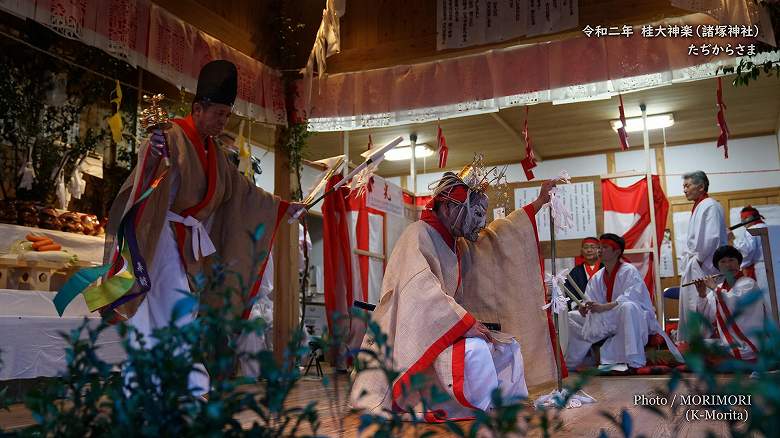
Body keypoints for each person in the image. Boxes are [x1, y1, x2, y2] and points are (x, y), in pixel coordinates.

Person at [73, 60, 306, 396]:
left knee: (175, 309)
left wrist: (283, 207)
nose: (223, 121)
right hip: (160, 234)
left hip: (187, 241)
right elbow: (149, 170)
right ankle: (179, 386)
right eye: (218, 114)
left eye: (227, 115)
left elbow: (242, 191)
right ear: (198, 108)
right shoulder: (172, 135)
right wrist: (152, 154)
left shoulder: (214, 151)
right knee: (173, 307)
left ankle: (154, 385)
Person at [350, 163, 560, 420]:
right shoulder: (417, 234)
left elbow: (498, 238)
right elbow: (421, 290)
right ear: (448, 207)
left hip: (445, 326)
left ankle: (504, 404)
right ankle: (480, 410)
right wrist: (465, 323)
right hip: (414, 335)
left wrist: (538, 203)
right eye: (474, 212)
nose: (479, 221)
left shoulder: (456, 242)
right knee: (476, 351)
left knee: (507, 346)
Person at [564, 234, 681, 371]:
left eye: (605, 247)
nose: (600, 250)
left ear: (617, 251)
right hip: (608, 317)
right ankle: (577, 361)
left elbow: (632, 297)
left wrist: (603, 307)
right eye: (599, 247)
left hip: (633, 317)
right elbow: (590, 299)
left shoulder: (629, 271)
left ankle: (632, 359)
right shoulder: (598, 276)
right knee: (572, 316)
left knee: (627, 306)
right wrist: (585, 308)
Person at [693, 245, 772, 360]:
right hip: (729, 341)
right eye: (723, 262)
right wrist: (702, 294)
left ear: (739, 264)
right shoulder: (719, 288)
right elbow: (706, 316)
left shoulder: (748, 283)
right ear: (718, 268)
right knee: (698, 345)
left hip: (751, 343)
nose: (728, 265)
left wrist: (714, 288)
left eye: (732, 260)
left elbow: (734, 303)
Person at [677, 171, 727, 342]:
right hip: (697, 262)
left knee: (702, 304)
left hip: (705, 264)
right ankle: (693, 345)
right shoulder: (702, 205)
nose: (684, 190)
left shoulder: (710, 205)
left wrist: (698, 260)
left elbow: (712, 238)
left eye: (687, 185)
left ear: (701, 186)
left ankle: (707, 346)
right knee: (692, 306)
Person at [732, 206, 770, 297]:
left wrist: (732, 239)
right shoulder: (767, 227)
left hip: (761, 269)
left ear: (752, 218)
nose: (742, 222)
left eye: (745, 218)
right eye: (742, 219)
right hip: (774, 266)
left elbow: (746, 251)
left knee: (765, 298)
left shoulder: (752, 230)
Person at [563, 237, 603, 309]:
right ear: (581, 251)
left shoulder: (605, 268)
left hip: (603, 306)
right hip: (582, 308)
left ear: (599, 250)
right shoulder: (576, 271)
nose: (589, 250)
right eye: (586, 247)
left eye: (592, 247)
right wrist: (577, 304)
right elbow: (567, 291)